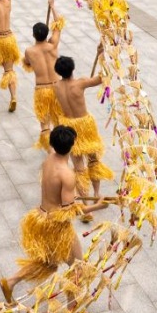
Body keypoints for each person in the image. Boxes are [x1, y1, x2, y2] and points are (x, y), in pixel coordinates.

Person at [0, 125, 114, 313]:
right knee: (78, 265)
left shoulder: (49, 159)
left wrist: (73, 196)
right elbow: (68, 210)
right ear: (72, 146)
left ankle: (11, 282)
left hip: (41, 217)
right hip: (57, 227)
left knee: (48, 264)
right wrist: (98, 206)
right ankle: (73, 312)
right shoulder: (67, 175)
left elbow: (60, 196)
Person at [52, 55, 113, 223]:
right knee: (93, 161)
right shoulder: (80, 83)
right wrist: (103, 55)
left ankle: (87, 206)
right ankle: (96, 193)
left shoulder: (56, 86)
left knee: (79, 169)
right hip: (85, 126)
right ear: (72, 70)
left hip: (69, 126)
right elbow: (102, 77)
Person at [23, 0, 65, 151]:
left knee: (45, 124)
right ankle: (60, 147)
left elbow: (27, 63)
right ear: (47, 34)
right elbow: (59, 23)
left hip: (41, 90)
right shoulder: (53, 45)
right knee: (59, 121)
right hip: (57, 87)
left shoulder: (29, 51)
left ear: (33, 35)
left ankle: (50, 151)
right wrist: (53, 7)